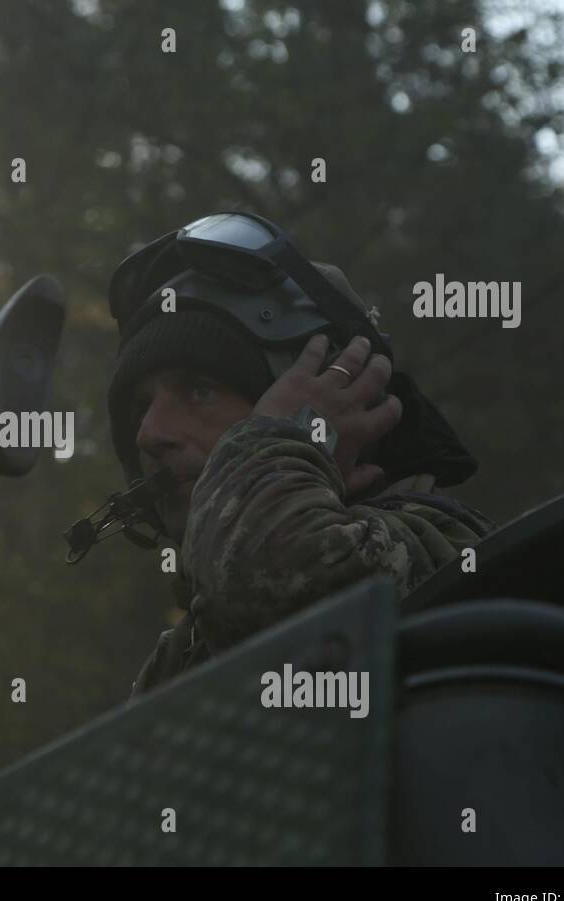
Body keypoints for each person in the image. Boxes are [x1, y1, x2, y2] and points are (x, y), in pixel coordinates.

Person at [100, 213, 496, 698]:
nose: (149, 433)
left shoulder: (447, 547)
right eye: (142, 407)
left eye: (199, 390)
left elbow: (275, 578)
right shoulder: (175, 660)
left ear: (336, 403)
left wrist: (282, 445)